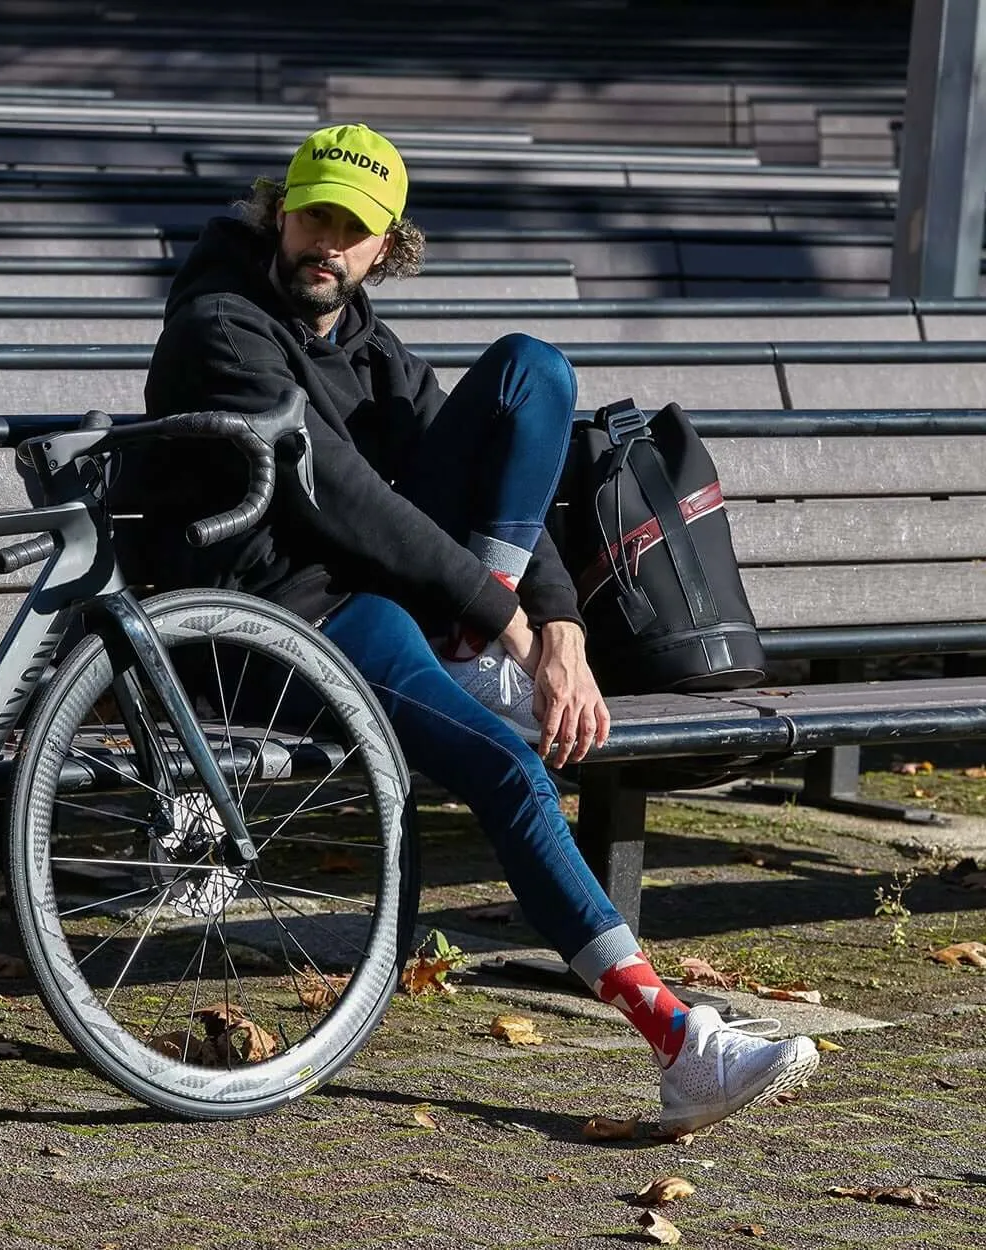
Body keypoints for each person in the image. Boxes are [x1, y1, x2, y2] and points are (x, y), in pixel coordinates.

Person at [141, 122, 819, 1134]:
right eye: (314, 212)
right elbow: (351, 505)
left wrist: (556, 624)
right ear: (279, 210)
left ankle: (473, 663)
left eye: (353, 227)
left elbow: (453, 477)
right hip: (272, 630)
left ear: (384, 246)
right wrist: (503, 617)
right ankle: (680, 1040)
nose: (328, 240)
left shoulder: (365, 343)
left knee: (528, 370)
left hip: (373, 608)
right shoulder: (222, 328)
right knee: (508, 765)